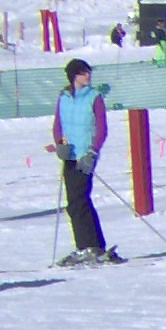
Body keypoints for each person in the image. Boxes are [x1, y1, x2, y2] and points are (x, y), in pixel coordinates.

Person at [50, 60, 120, 265]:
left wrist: (93, 151)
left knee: (78, 201)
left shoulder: (94, 97)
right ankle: (95, 245)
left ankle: (86, 246)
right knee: (76, 202)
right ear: (73, 76)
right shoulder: (63, 97)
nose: (87, 76)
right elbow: (58, 124)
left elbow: (101, 128)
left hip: (85, 156)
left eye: (88, 72)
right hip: (69, 155)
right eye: (83, 73)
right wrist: (59, 144)